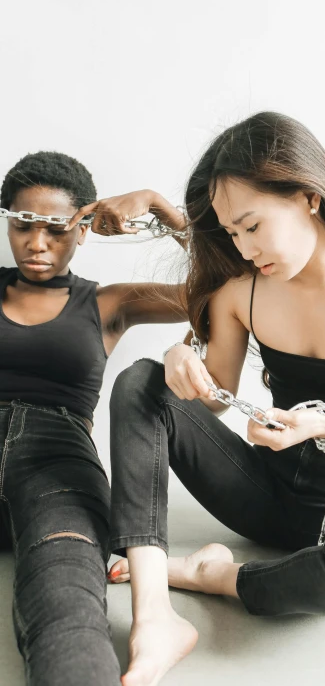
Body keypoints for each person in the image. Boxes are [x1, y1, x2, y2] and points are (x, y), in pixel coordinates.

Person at [105, 111, 325, 686]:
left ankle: (217, 577)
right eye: (231, 233)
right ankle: (154, 612)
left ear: (308, 196)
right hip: (261, 490)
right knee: (141, 380)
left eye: (252, 226)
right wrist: (182, 362)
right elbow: (214, 401)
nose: (242, 246)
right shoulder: (242, 290)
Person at [0, 151, 189, 686]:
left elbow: (224, 288)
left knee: (67, 605)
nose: (38, 244)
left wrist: (158, 208)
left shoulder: (109, 303)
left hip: (57, 467)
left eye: (58, 229)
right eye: (24, 225)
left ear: (83, 231)